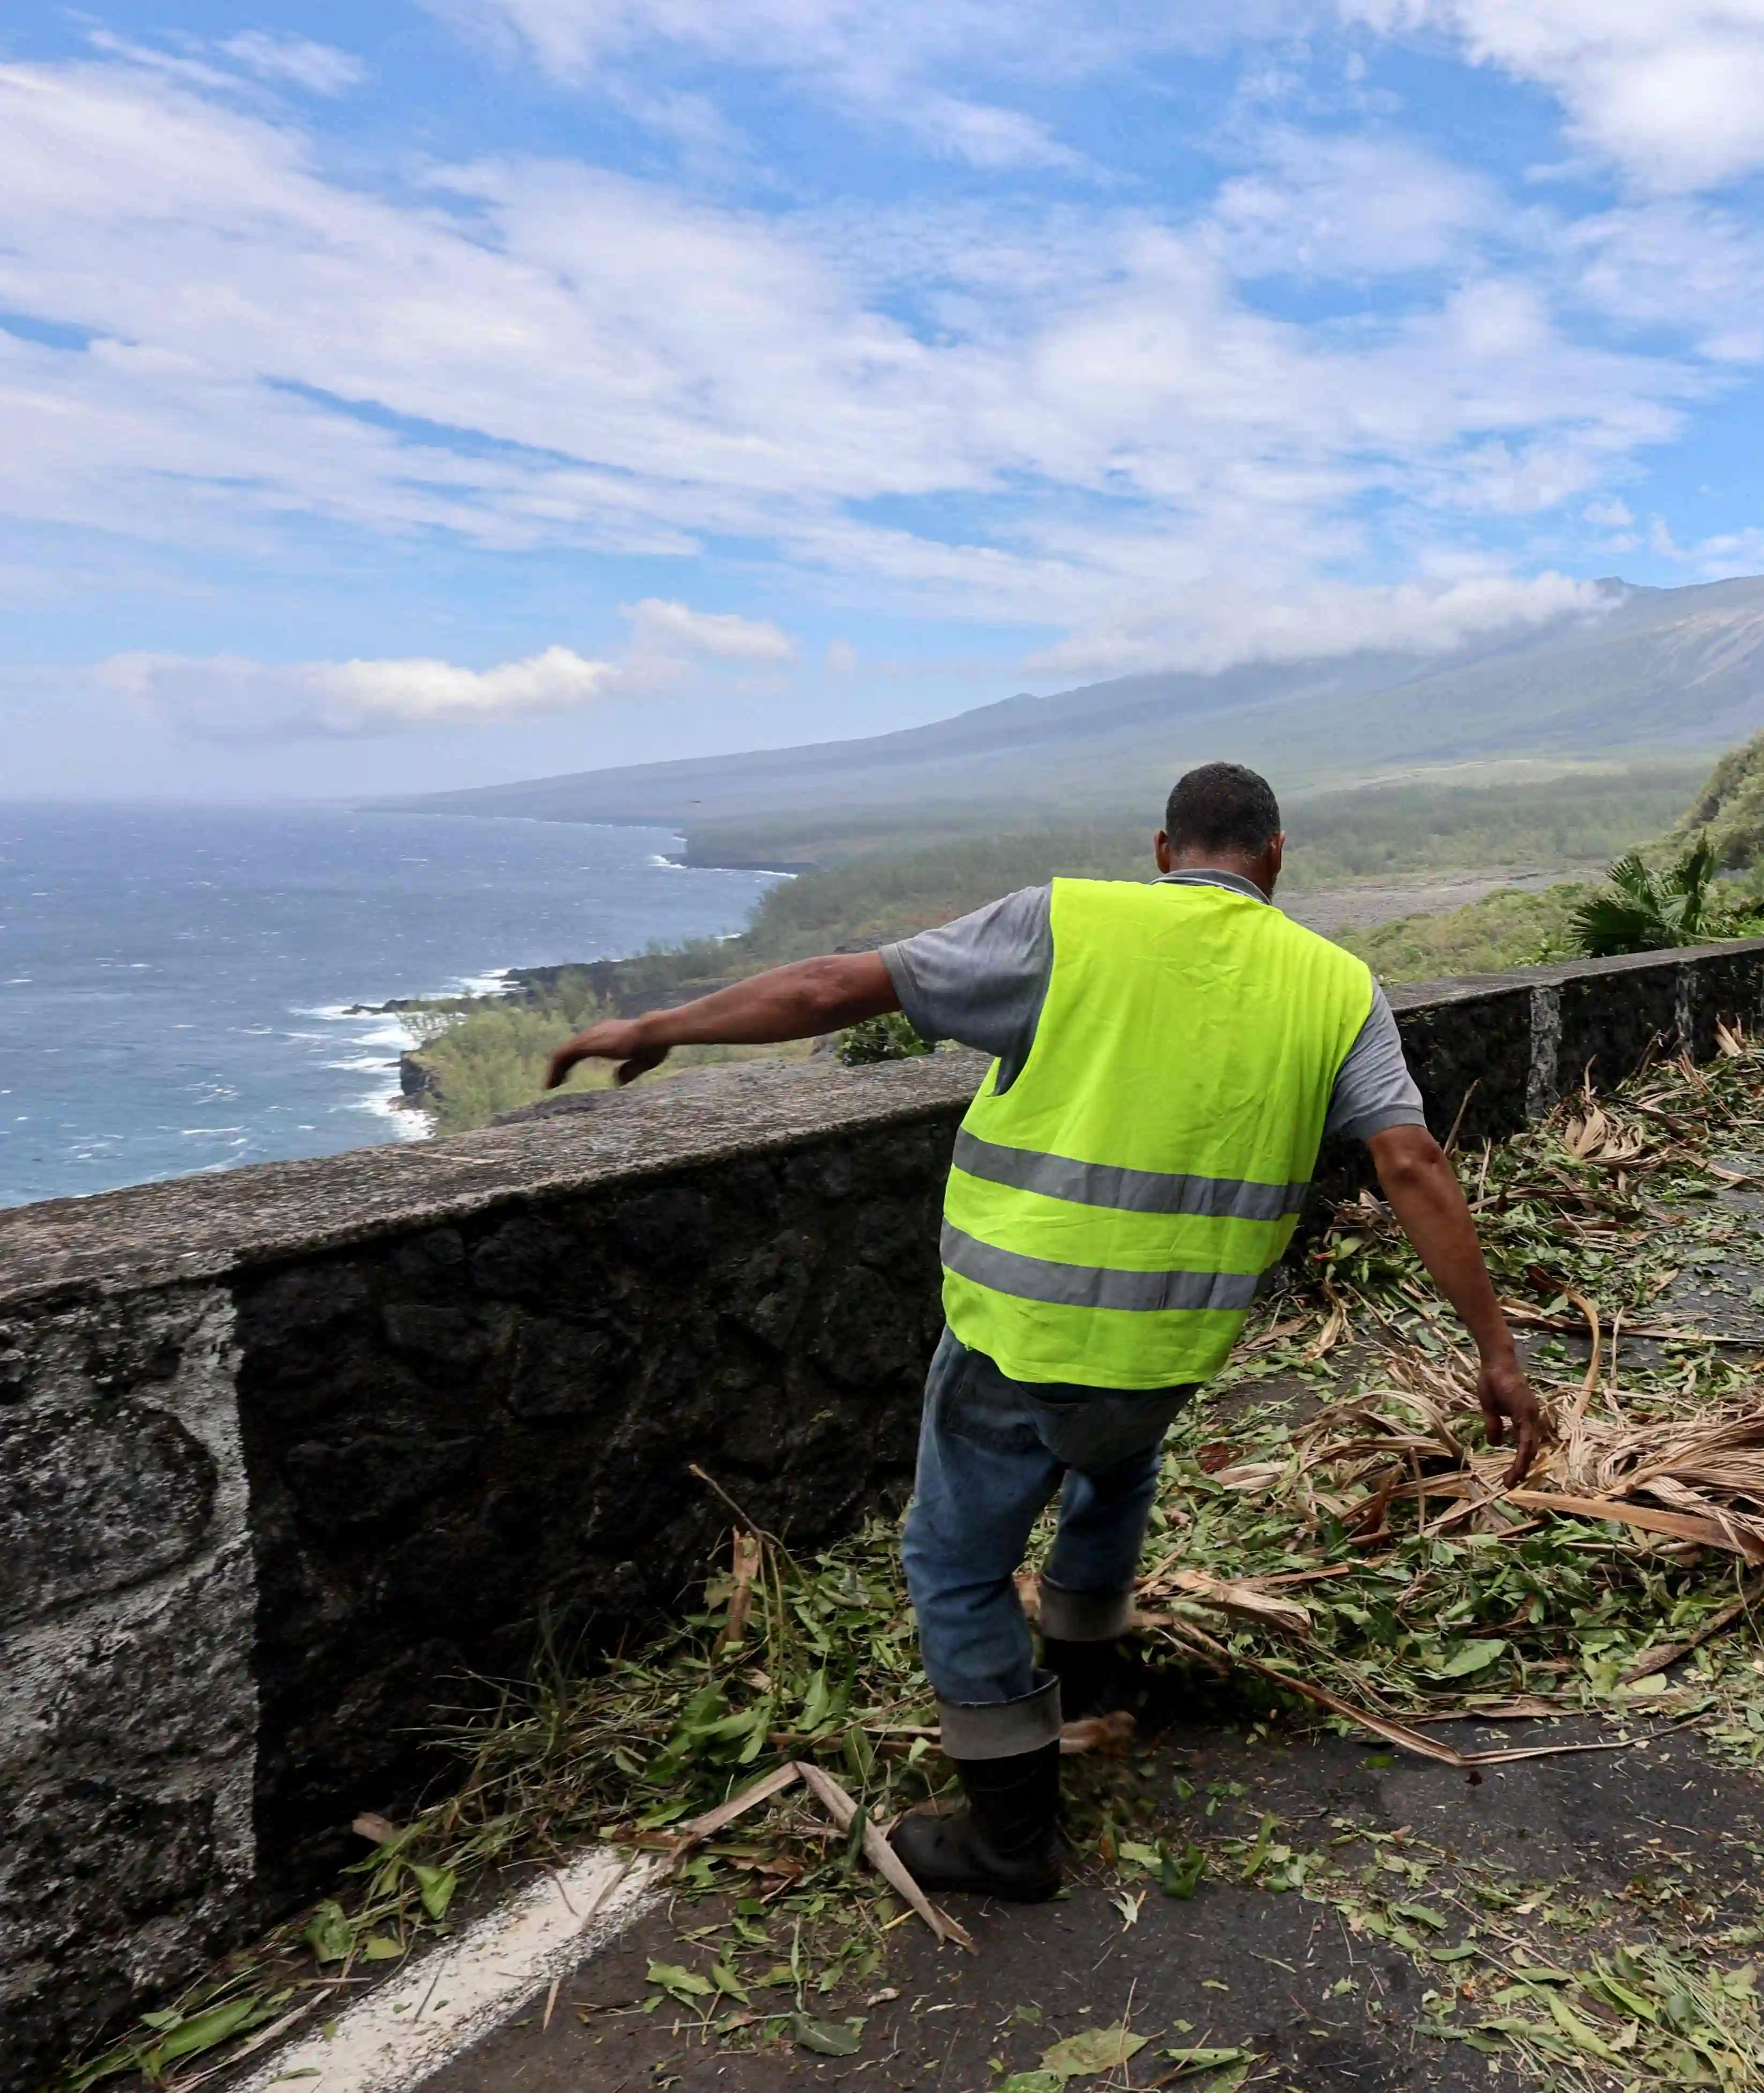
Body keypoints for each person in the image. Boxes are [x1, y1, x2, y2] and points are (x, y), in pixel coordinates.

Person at [544, 762, 1544, 1901]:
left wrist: (663, 1021)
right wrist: (1496, 1350)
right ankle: (1090, 1689)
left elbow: (831, 986)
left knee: (955, 1563)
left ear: (1164, 850)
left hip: (1020, 1334)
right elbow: (1410, 1159)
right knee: (1113, 1472)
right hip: (1173, 1346)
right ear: (1275, 857)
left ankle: (1012, 1831)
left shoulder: (1066, 921)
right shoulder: (1338, 983)